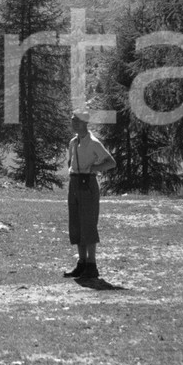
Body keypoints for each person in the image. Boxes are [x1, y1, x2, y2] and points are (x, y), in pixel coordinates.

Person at [64, 112, 116, 280]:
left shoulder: (94, 143)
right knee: (76, 223)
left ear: (85, 123)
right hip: (74, 184)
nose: (74, 124)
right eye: (73, 121)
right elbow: (69, 161)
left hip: (88, 184)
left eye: (77, 121)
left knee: (88, 223)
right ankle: (82, 263)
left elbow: (111, 162)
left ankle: (92, 265)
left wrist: (93, 169)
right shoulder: (73, 142)